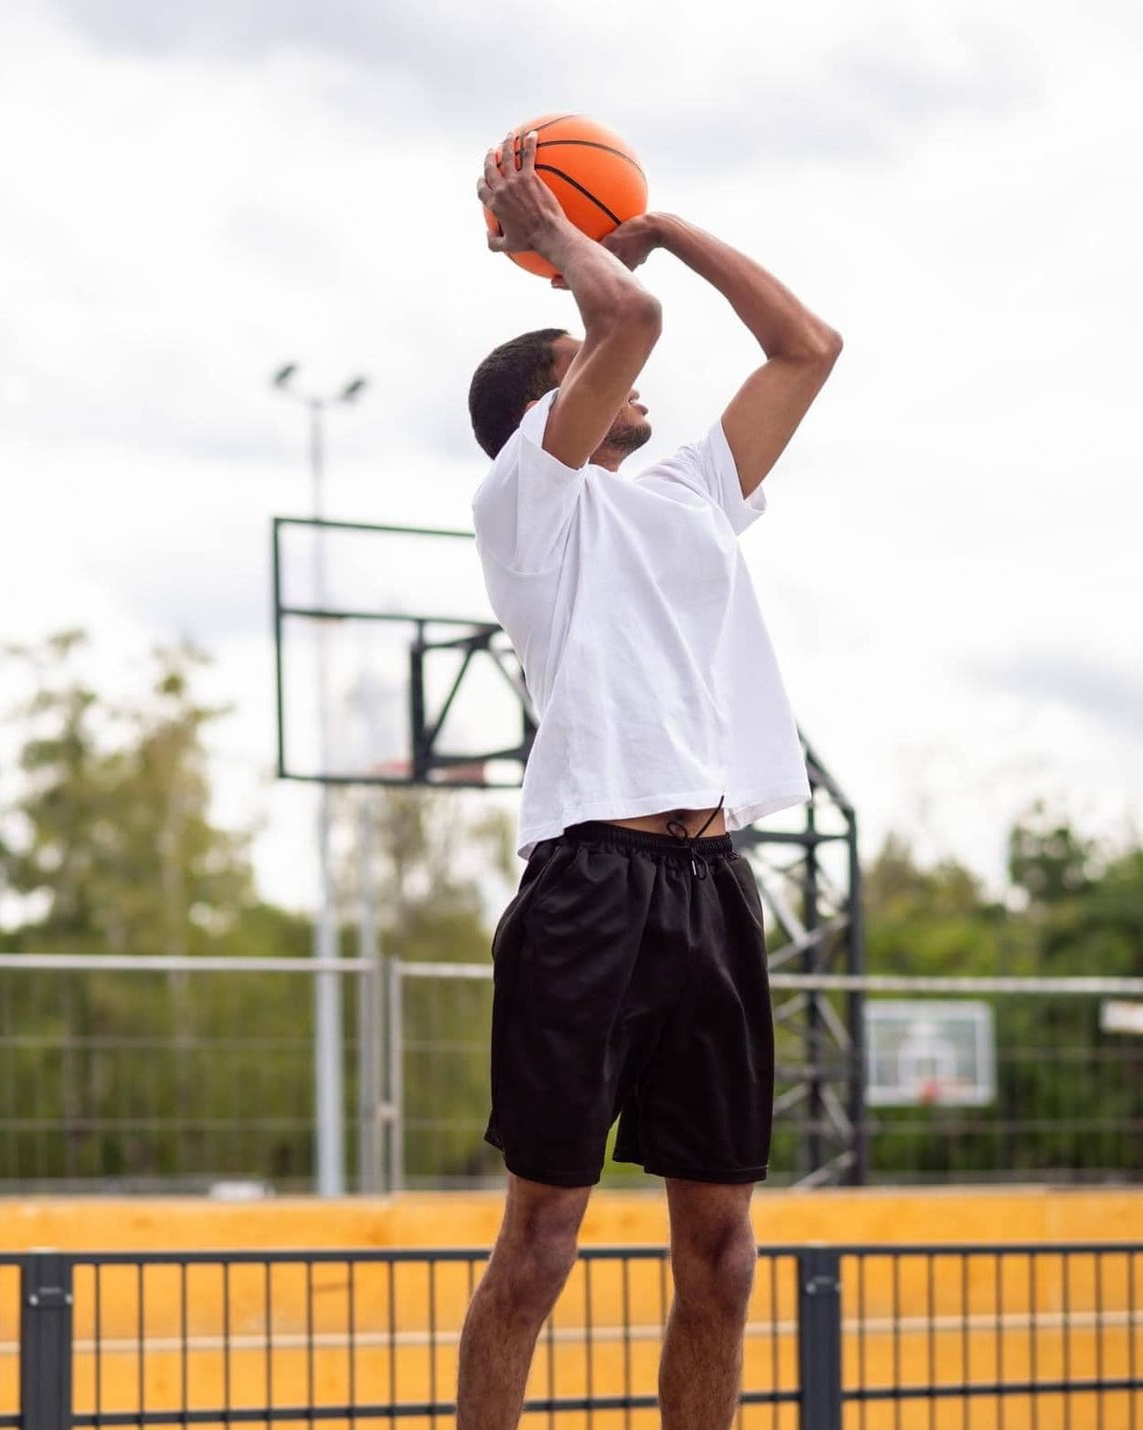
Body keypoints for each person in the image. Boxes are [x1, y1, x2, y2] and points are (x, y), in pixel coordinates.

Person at [459, 128, 842, 1430]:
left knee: (723, 1256)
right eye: (578, 362)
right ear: (538, 413)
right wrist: (558, 234)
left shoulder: (685, 491)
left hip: (710, 882)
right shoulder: (527, 504)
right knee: (541, 1243)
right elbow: (628, 318)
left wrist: (665, 225)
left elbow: (807, 348)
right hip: (591, 883)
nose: (625, 371)